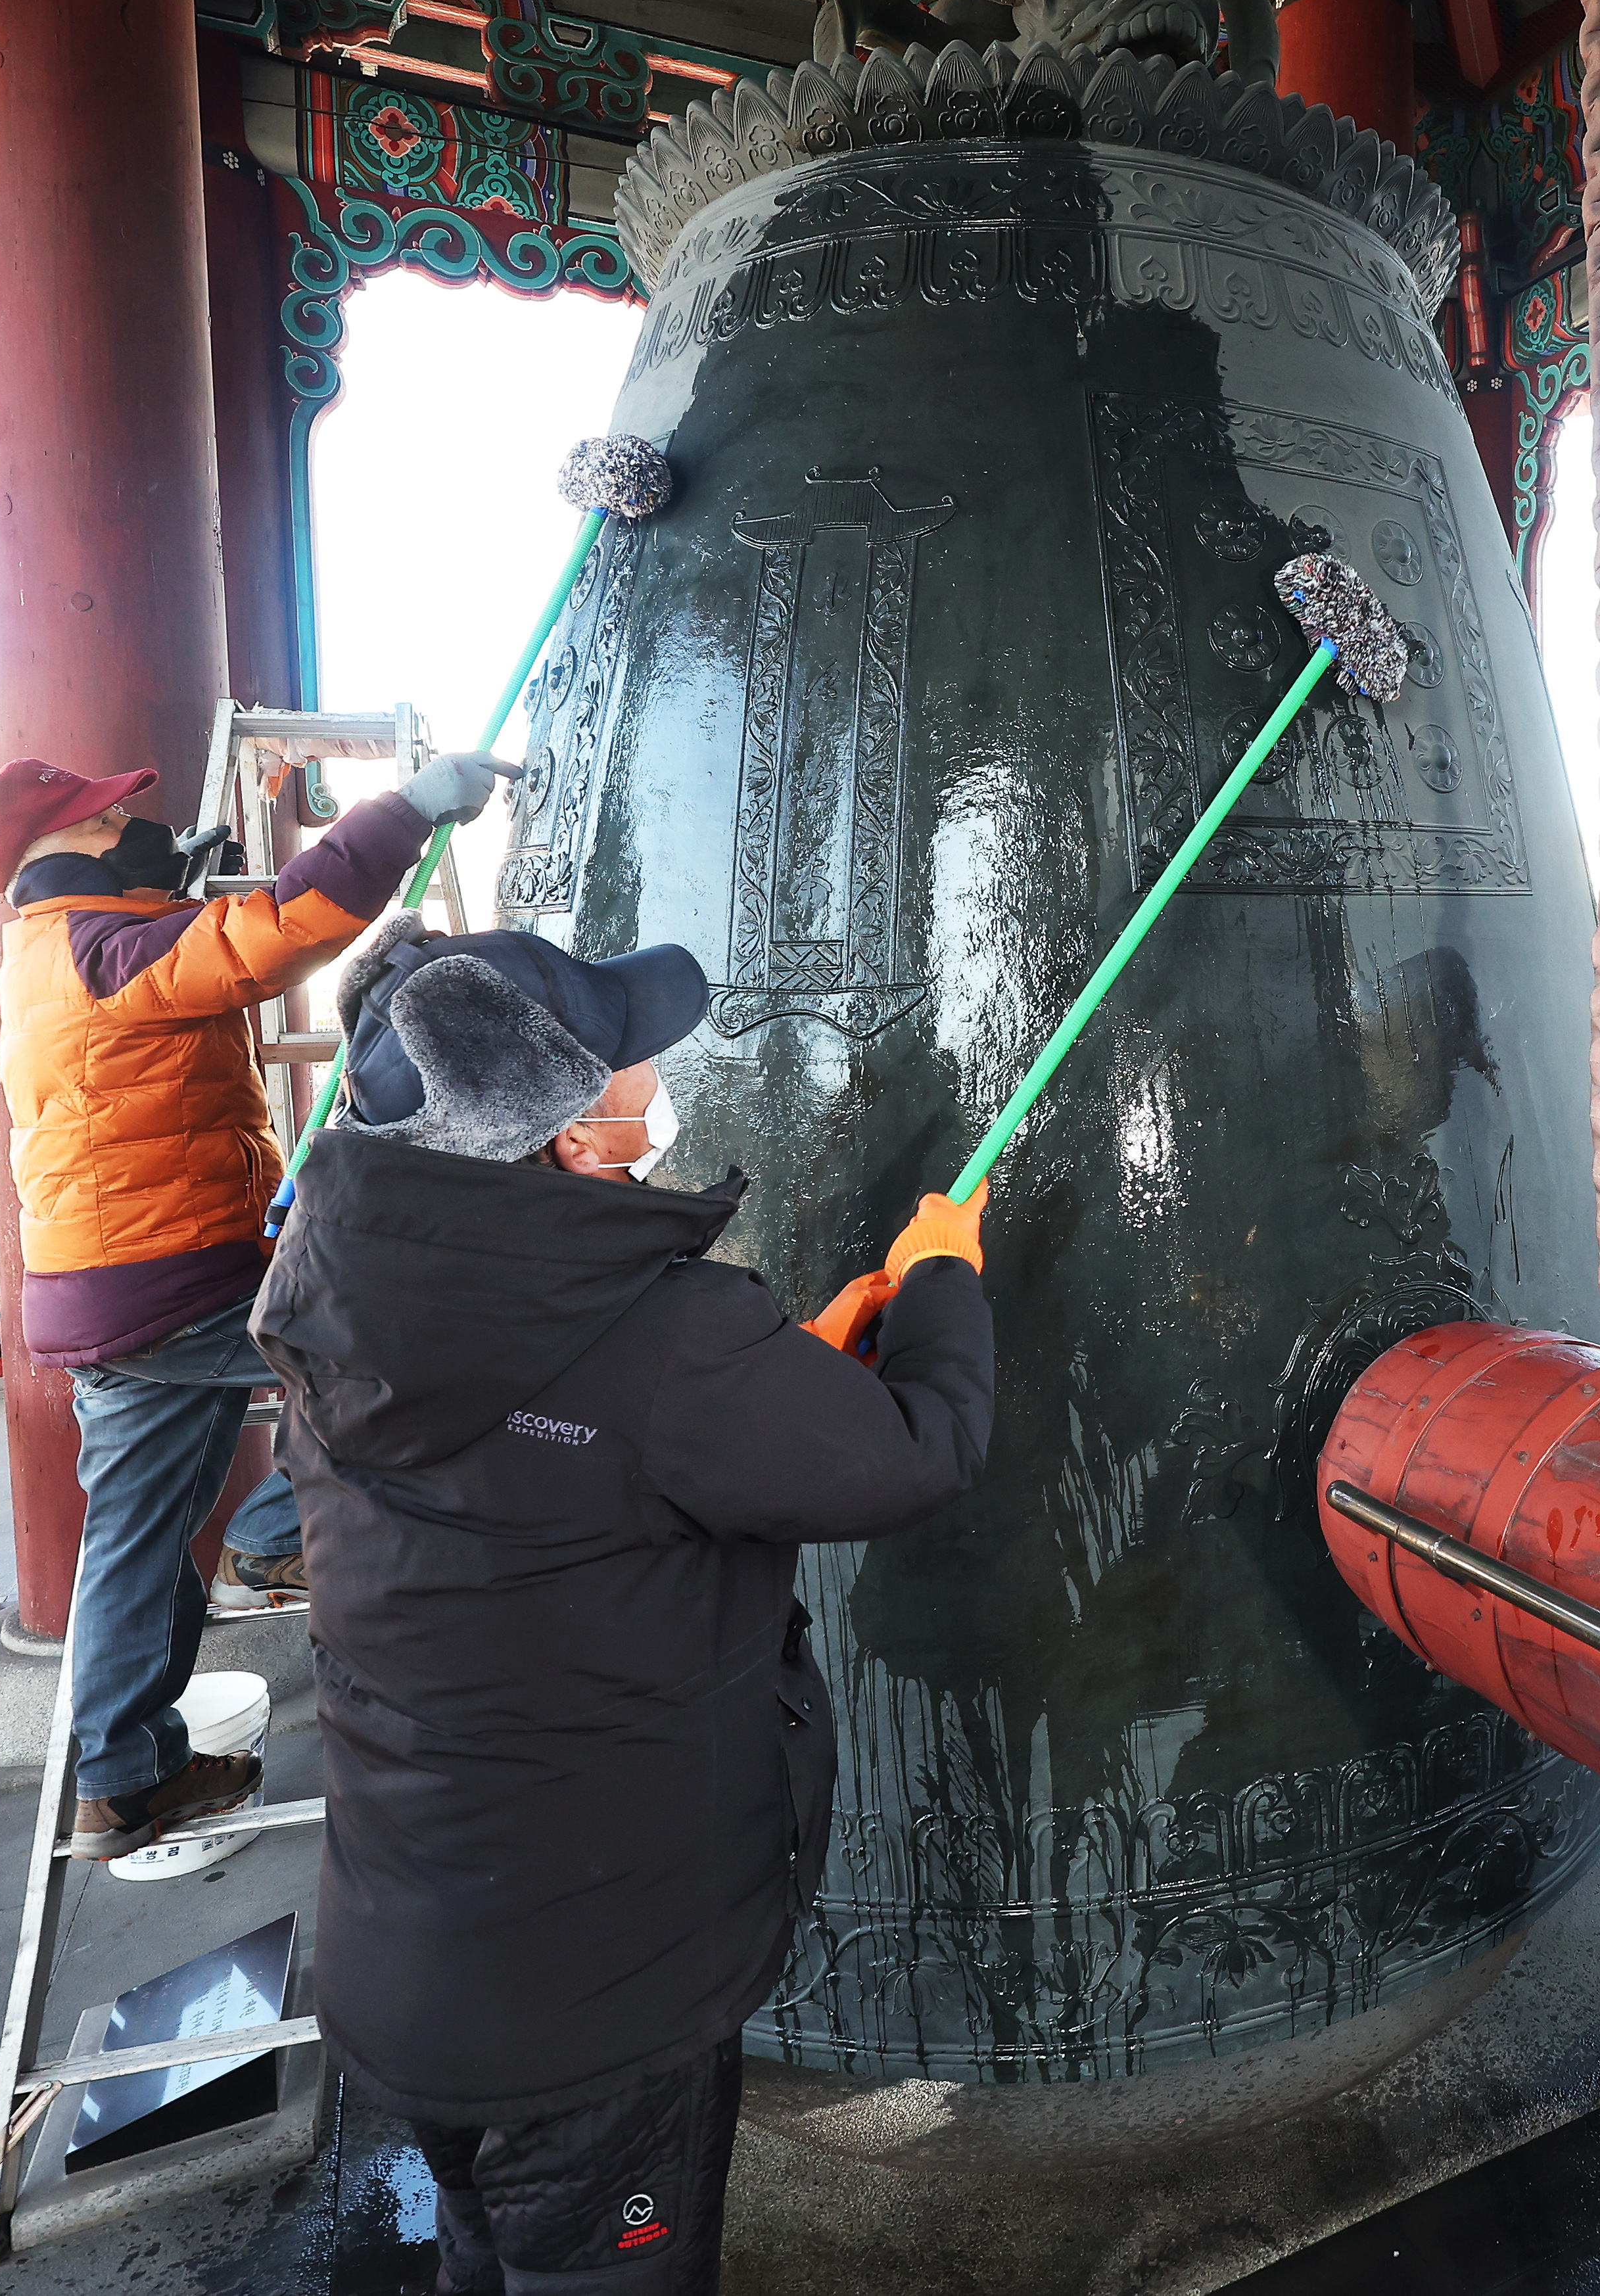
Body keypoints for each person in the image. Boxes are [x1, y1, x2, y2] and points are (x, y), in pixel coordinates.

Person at [254, 920, 995, 2296]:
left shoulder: (331, 1290)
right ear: (564, 1136)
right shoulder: (669, 1342)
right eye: (625, 1063)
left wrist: (779, 1382)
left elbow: (572, 1458)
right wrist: (943, 1278)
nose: (652, 1077)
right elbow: (917, 1452)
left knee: (486, 2260)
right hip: (591, 2005)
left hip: (411, 1962)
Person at [0, 747, 515, 1860]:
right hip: (167, 1280)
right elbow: (275, 935)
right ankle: (270, 1541)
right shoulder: (105, 947)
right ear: (62, 853)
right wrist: (403, 812)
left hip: (120, 1285)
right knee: (388, 1347)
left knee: (138, 1541)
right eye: (114, 827)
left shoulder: (59, 949)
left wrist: (180, 894)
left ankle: (123, 1774)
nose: (135, 832)